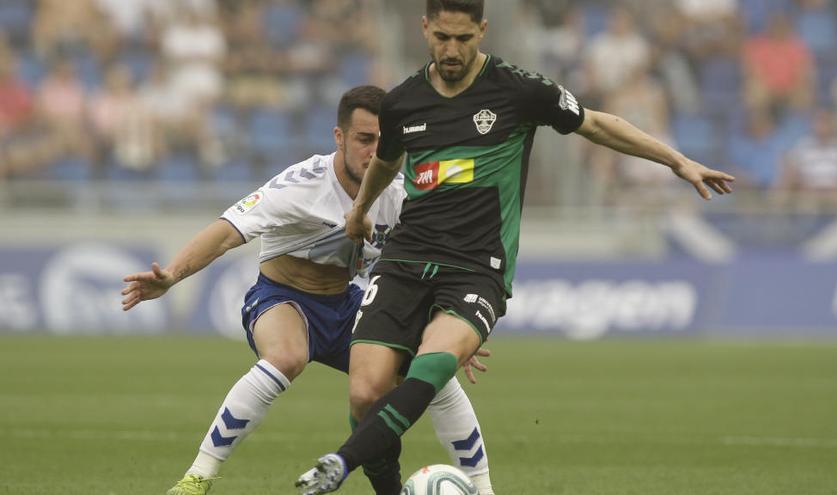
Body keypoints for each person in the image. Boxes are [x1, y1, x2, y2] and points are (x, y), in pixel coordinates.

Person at [295, 1, 735, 494]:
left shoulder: (521, 91)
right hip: (406, 258)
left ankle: (339, 462)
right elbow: (386, 162)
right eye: (442, 37)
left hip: (477, 268)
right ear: (425, 30)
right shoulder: (402, 103)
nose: (452, 49)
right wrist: (359, 212)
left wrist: (675, 161)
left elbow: (595, 123)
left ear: (483, 30)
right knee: (364, 392)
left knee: (433, 364)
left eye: (464, 38)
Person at [120, 85, 496, 495]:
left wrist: (452, 327)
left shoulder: (399, 195)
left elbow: (436, 262)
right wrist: (173, 274)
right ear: (339, 137)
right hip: (283, 298)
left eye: (384, 142)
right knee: (287, 356)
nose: (374, 152)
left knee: (433, 370)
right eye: (364, 139)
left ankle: (482, 487)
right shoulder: (301, 185)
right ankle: (198, 477)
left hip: (348, 302)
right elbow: (227, 231)